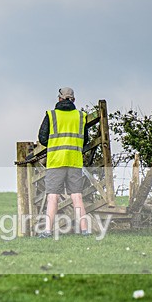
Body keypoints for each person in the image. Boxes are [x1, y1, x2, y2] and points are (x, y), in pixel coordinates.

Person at [37, 87, 91, 238]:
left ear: (59, 98)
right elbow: (85, 139)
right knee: (77, 196)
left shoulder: (51, 115)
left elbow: (42, 138)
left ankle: (48, 231)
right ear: (73, 99)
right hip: (74, 160)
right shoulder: (81, 116)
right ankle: (85, 231)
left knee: (52, 196)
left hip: (56, 161)